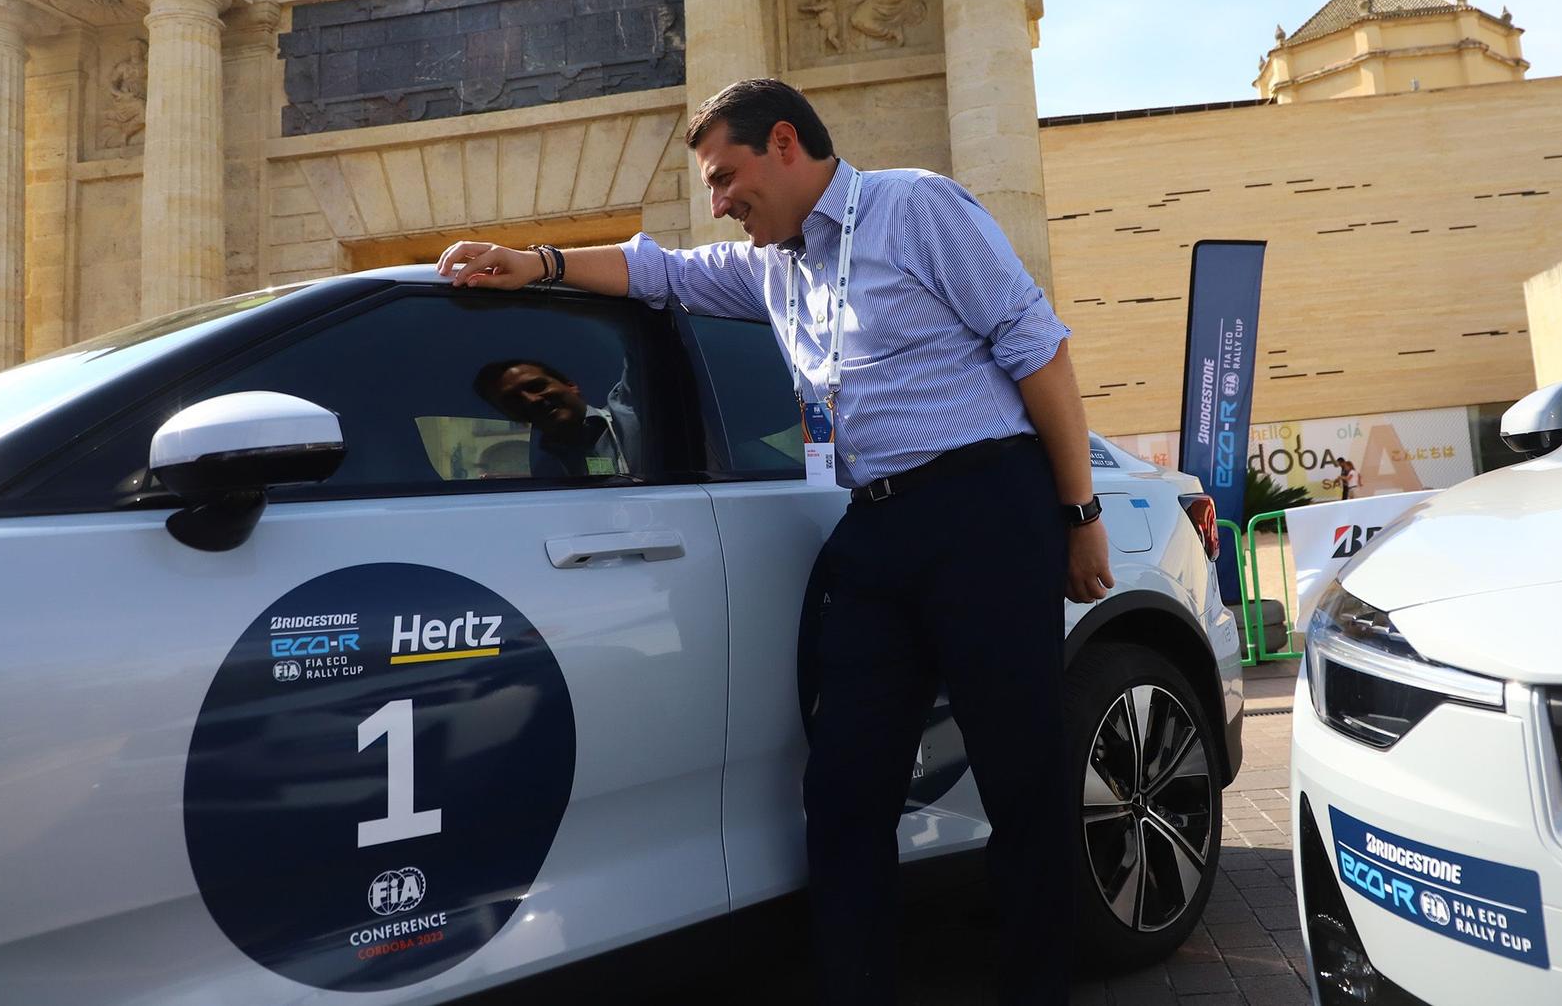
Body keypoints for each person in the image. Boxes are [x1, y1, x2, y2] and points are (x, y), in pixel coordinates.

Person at [437, 77, 1111, 1005]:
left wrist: (1078, 515)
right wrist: (536, 263)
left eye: (725, 177)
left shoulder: (915, 205)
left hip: (984, 510)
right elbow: (657, 272)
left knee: (1020, 777)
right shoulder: (773, 269)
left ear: (785, 143)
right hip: (874, 528)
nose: (718, 202)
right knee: (843, 791)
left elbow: (1039, 350)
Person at [471, 358, 628, 478]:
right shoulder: (546, 473)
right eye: (514, 401)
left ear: (571, 385)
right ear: (512, 416)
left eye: (536, 387)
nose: (532, 400)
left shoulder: (633, 412)